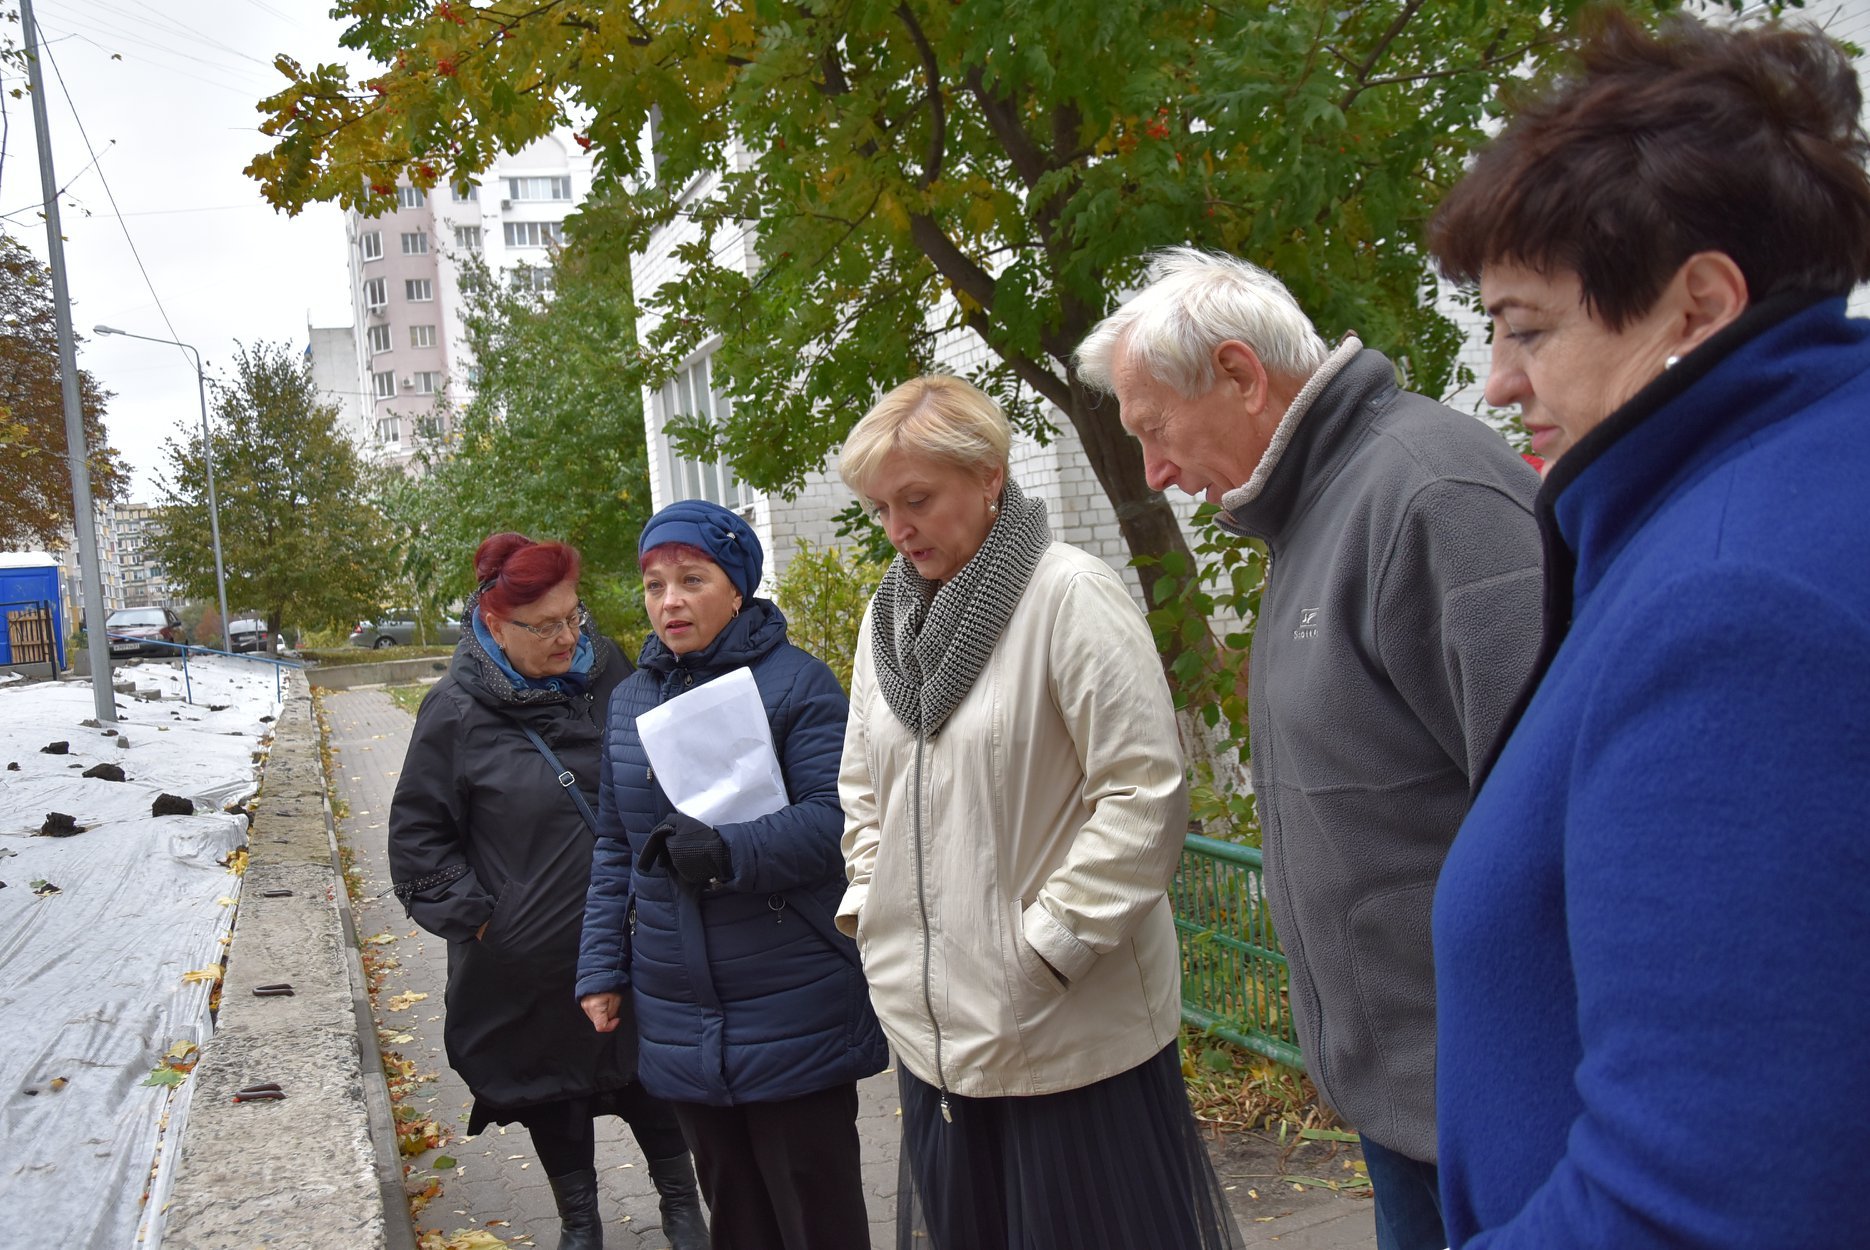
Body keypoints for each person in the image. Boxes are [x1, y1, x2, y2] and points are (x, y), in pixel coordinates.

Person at [1423, 13, 1870, 1248]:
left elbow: (1703, 1204)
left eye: (1526, 326)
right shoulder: (1795, 476)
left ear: (1700, 303)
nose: (1500, 381)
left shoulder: (1738, 601)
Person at [1075, 248, 1543, 1250]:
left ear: (1241, 374)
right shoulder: (1314, 511)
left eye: (1153, 429)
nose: (1154, 469)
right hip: (1410, 1103)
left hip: (1499, 1112)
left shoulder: (1432, 497)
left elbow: (1564, 832)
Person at [836, 375, 1238, 1250]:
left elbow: (1144, 793)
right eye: (880, 508)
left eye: (916, 500)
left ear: (988, 476)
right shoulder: (887, 621)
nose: (897, 531)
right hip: (935, 1036)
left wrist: (1049, 949)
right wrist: (873, 906)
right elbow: (864, 785)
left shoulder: (1069, 596)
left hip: (1065, 1038)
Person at [576, 499, 886, 1250]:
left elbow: (836, 819)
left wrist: (730, 851)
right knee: (736, 1215)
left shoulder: (798, 685)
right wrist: (600, 968)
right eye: (654, 584)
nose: (670, 601)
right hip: (679, 1001)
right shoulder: (630, 702)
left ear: (738, 585)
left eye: (692, 579)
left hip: (790, 993)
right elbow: (615, 846)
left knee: (816, 1213)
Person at [389, 532, 707, 1250]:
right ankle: (579, 1222)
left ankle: (684, 1209)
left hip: (633, 937)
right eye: (547, 625)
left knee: (650, 1076)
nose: (569, 637)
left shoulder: (616, 676)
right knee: (549, 1089)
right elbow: (418, 840)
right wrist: (483, 923)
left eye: (575, 617)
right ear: (495, 625)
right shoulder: (455, 713)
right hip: (525, 964)